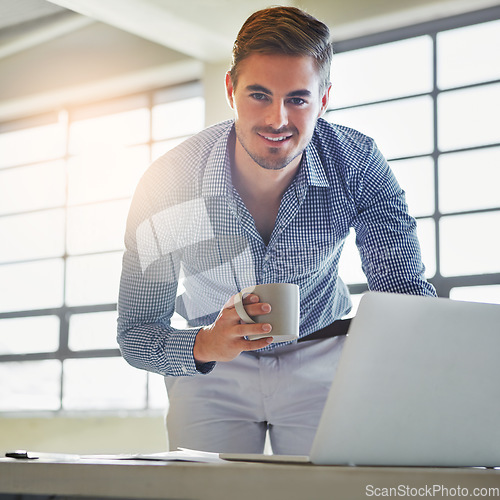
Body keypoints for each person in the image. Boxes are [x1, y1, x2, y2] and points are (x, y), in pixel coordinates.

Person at [117, 6, 436, 455]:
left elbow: (401, 289)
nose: (277, 120)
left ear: (323, 100)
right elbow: (136, 332)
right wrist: (207, 343)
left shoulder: (358, 163)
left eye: (298, 99)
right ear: (231, 89)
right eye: (259, 95)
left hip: (325, 358)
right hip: (211, 365)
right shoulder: (166, 185)